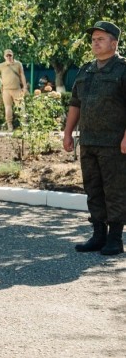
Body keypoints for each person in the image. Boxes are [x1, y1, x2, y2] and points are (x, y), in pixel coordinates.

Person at [63, 20, 126, 256]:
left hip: (114, 143)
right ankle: (98, 235)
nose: (95, 43)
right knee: (93, 189)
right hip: (88, 141)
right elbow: (75, 103)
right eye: (93, 39)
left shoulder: (122, 69)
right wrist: (68, 132)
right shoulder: (85, 70)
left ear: (114, 42)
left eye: (100, 39)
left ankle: (115, 238)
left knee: (115, 189)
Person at [0, 49, 27, 131]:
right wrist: (0, 79)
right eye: (7, 55)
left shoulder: (18, 64)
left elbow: (22, 75)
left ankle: (24, 124)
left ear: (13, 55)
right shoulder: (1, 65)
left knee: (21, 106)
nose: (8, 57)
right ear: (4, 56)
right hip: (6, 90)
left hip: (17, 89)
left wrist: (24, 87)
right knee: (8, 107)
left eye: (10, 55)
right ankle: (9, 125)